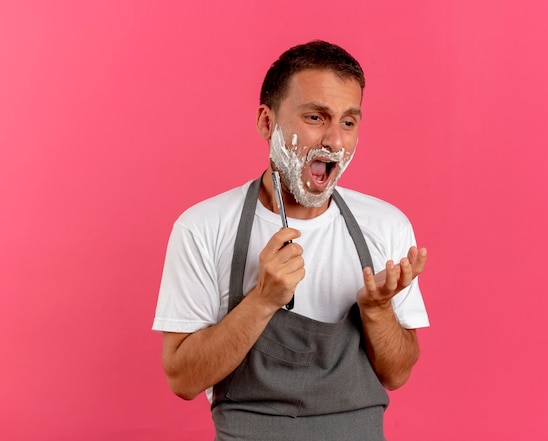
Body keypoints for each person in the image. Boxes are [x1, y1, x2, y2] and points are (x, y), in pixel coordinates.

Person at [153, 40, 429, 441]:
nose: (335, 141)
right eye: (316, 117)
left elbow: (397, 373)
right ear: (267, 122)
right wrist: (263, 299)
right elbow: (182, 379)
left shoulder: (386, 226)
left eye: (349, 122)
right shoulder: (202, 227)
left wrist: (378, 310)